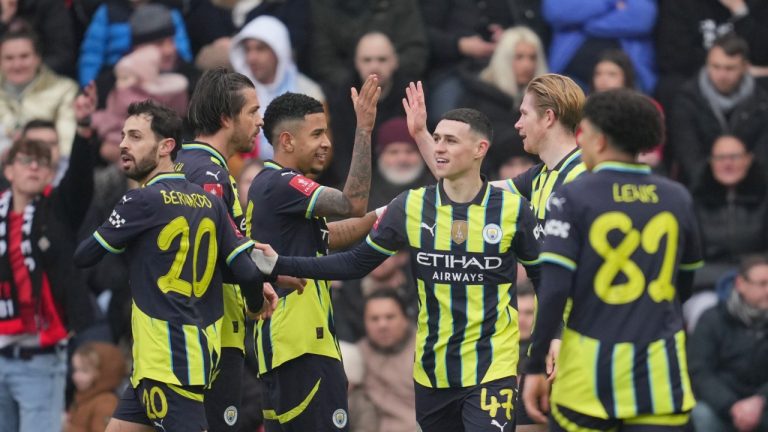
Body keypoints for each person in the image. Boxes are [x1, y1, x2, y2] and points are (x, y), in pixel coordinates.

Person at [251, 107, 541, 432]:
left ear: (480, 149)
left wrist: (548, 344)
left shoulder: (514, 210)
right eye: (437, 139)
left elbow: (545, 278)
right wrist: (280, 263)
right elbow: (355, 262)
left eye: (451, 141)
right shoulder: (412, 206)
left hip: (492, 368)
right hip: (432, 371)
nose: (440, 147)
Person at [73, 100, 275, 432]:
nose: (124, 144)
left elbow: (85, 256)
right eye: (123, 135)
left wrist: (117, 228)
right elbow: (247, 271)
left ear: (167, 146)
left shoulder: (140, 200)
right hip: (184, 357)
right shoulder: (209, 202)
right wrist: (255, 306)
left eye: (136, 137)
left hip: (168, 363)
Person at [403, 73, 585, 432]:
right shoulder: (538, 177)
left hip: (578, 338)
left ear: (548, 118)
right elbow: (465, 186)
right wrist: (424, 137)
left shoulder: (584, 178)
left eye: (524, 114)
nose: (517, 124)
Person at [522, 88, 705, 431]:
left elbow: (554, 288)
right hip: (659, 376)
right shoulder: (677, 198)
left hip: (587, 381)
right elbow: (686, 282)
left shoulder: (573, 196)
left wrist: (533, 367)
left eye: (584, 133)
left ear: (600, 140)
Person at [245, 78, 381, 431]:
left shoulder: (276, 193)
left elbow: (331, 236)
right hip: (301, 346)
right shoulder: (283, 183)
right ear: (287, 140)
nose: (327, 143)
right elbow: (352, 204)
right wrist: (363, 129)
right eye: (317, 134)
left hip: (284, 347)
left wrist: (387, 216)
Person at [175, 67, 272, 432]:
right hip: (211, 332)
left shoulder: (191, 164)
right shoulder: (209, 175)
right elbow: (210, 254)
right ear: (225, 118)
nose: (260, 121)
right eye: (252, 111)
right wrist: (257, 285)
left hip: (188, 329)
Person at [0, 84, 98, 432]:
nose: (34, 167)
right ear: (8, 169)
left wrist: (84, 128)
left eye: (42, 162)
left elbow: (81, 182)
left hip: (39, 359)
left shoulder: (58, 208)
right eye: (25, 160)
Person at [668, 33, 768, 186]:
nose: (721, 75)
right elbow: (688, 154)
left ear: (745, 67)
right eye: (715, 66)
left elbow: (763, 155)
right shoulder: (687, 100)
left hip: (754, 191)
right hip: (700, 191)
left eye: (730, 68)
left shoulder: (762, 102)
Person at [688, 254, 768, 432]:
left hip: (762, 405)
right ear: (740, 284)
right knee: (702, 415)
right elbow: (699, 371)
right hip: (722, 407)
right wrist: (731, 406)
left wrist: (760, 401)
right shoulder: (712, 319)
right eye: (762, 284)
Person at [322, 32, 412, 188]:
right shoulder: (343, 96)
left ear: (395, 62)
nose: (374, 66)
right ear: (356, 63)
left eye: (382, 59)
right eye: (367, 60)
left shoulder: (411, 94)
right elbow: (341, 152)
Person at [229, 15, 324, 160]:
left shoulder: (310, 92)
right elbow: (228, 146)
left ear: (279, 51)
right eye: (247, 49)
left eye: (260, 49)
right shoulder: (233, 95)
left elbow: (319, 151)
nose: (251, 58)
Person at [459, 27, 548, 176]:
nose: (527, 65)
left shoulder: (545, 101)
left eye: (532, 58)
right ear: (504, 59)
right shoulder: (478, 97)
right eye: (519, 57)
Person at [691, 135, 768, 292]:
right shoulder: (694, 200)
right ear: (711, 162)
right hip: (706, 284)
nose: (727, 163)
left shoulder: (764, 197)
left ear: (748, 159)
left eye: (734, 157)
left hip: (759, 282)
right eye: (720, 158)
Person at [542, 0, 658, 93]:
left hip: (628, 80)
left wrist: (585, 24)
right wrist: (611, 2)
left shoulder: (583, 25)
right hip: (571, 79)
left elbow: (642, 18)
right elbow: (557, 11)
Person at [309, 0, 427, 89]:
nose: (374, 67)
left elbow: (415, 52)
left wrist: (386, 72)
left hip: (396, 86)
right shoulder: (324, 5)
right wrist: (354, 82)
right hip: (344, 89)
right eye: (368, 61)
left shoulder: (400, 4)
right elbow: (324, 60)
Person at [77, 1, 193, 88]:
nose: (169, 50)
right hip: (119, 73)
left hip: (165, 72)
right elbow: (92, 54)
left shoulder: (168, 9)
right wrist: (88, 87)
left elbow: (181, 49)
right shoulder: (108, 11)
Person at [0, 29, 78, 156]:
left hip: (47, 168)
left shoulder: (64, 90)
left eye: (24, 56)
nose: (17, 64)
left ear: (38, 58)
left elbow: (67, 147)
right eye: (9, 58)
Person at [358, 289, 418, 432]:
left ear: (405, 318)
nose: (382, 325)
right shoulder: (357, 355)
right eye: (374, 319)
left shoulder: (425, 350)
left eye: (390, 317)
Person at [64, 342, 126, 432]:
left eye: (84, 371)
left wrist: (66, 428)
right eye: (75, 370)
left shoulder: (106, 402)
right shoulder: (84, 396)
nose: (75, 376)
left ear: (102, 373)